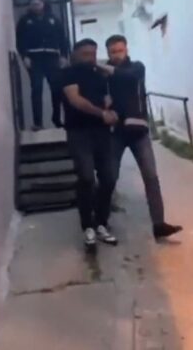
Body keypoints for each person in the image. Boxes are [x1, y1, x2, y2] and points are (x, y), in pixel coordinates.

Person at [97, 34, 183, 241]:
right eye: (113, 52)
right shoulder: (102, 75)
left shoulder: (136, 67)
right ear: (108, 52)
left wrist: (104, 69)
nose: (117, 55)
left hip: (138, 131)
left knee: (151, 177)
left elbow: (128, 77)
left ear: (126, 50)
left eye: (120, 50)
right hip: (115, 132)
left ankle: (159, 224)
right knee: (109, 178)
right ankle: (100, 222)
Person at [61, 39, 119, 250]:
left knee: (109, 178)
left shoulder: (99, 75)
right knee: (86, 177)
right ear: (75, 54)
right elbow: (75, 99)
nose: (90, 58)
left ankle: (101, 223)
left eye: (93, 54)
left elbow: (107, 98)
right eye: (85, 54)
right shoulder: (68, 74)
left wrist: (110, 108)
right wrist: (101, 113)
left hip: (102, 133)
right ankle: (88, 227)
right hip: (79, 132)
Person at [16, 0, 69, 130]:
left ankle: (57, 119)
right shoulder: (25, 21)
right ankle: (38, 123)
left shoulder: (53, 20)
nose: (35, 6)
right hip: (34, 58)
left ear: (43, 4)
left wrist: (63, 55)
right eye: (32, 4)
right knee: (36, 89)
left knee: (56, 89)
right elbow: (20, 40)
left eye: (37, 4)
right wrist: (24, 56)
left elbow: (63, 38)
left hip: (52, 57)